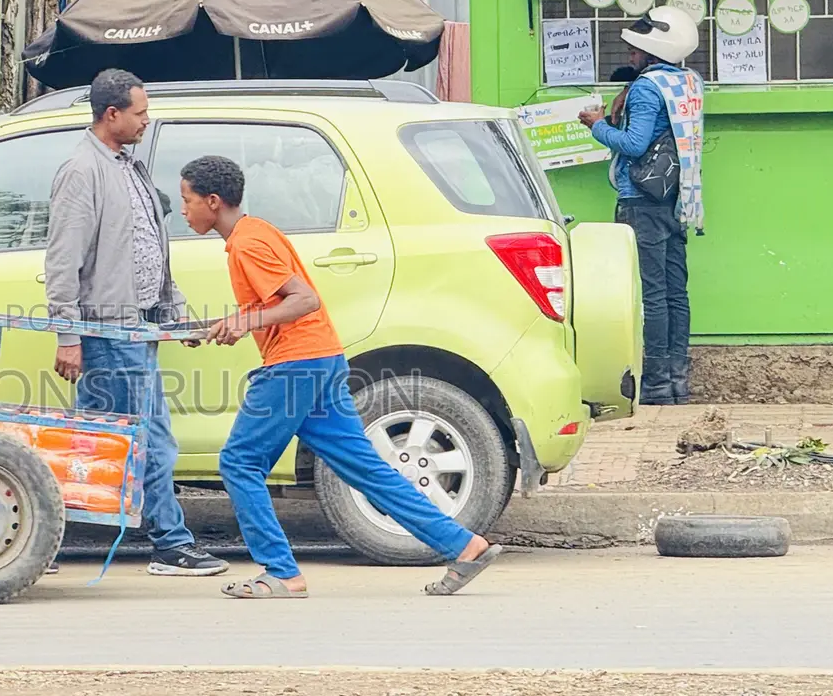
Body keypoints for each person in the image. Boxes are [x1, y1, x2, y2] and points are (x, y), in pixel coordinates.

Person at [176, 154, 503, 599]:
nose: (182, 209)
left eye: (187, 200)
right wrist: (225, 325)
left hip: (295, 365)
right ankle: (464, 545)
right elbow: (275, 305)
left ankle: (281, 572)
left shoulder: (247, 244)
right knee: (364, 467)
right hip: (322, 358)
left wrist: (245, 322)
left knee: (240, 462)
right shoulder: (257, 231)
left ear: (212, 201)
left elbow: (303, 300)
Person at [44, 68, 228, 578]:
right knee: (147, 442)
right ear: (112, 115)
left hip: (137, 328)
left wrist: (173, 312)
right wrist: (68, 335)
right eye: (140, 112)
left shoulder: (128, 165)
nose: (147, 120)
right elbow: (63, 261)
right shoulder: (83, 171)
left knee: (97, 444)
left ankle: (40, 536)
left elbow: (149, 249)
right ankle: (170, 543)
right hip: (110, 332)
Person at [579, 6, 704, 406]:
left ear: (653, 50)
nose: (630, 54)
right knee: (675, 293)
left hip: (641, 201)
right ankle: (678, 382)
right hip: (677, 197)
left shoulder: (647, 88)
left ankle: (656, 385)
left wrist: (597, 125)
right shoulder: (690, 82)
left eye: (635, 49)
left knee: (653, 294)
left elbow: (634, 145)